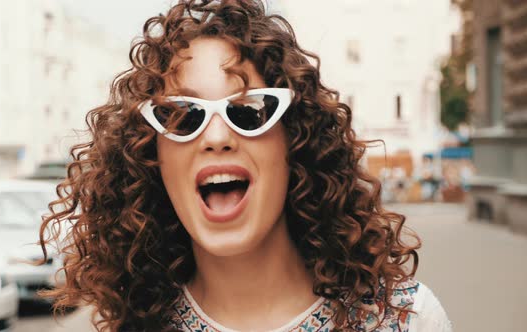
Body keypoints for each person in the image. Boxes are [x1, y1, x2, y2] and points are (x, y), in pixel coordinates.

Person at [39, 1, 452, 331]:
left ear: (295, 141)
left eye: (251, 111)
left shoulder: (406, 321)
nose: (216, 137)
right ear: (152, 156)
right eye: (183, 115)